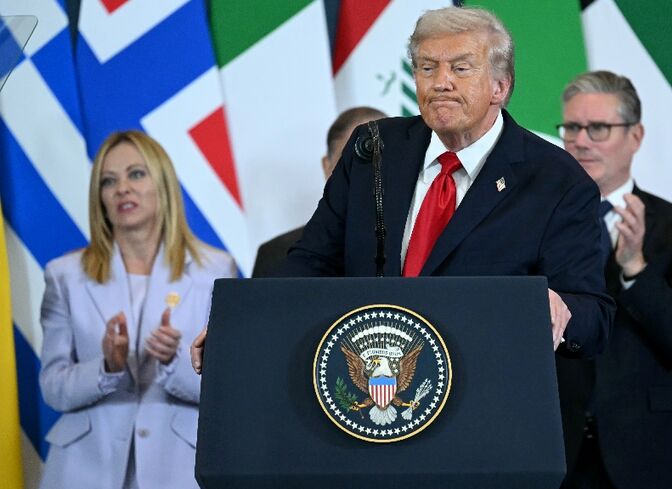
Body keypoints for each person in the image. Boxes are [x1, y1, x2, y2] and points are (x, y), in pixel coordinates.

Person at [193, 6, 613, 371]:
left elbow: (593, 317)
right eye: (427, 67)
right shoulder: (371, 151)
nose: (440, 82)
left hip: (488, 403)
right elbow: (311, 263)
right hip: (369, 391)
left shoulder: (556, 179)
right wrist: (239, 325)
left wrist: (561, 310)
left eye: (460, 68)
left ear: (500, 87)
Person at [38, 130, 236, 489]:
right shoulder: (64, 275)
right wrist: (107, 368)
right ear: (99, 197)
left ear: (162, 183)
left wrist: (174, 360)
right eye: (108, 181)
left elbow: (228, 387)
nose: (122, 189)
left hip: (179, 468)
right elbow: (52, 387)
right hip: (85, 470)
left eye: (136, 174)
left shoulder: (216, 271)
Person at [555, 71, 672, 489]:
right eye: (572, 127)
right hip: (557, 451)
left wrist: (635, 269)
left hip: (651, 453)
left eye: (599, 128)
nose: (581, 141)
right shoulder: (535, 222)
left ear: (636, 136)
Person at [251, 106, 386, 278]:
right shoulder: (276, 255)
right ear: (326, 166)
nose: (368, 175)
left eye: (381, 159)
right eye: (350, 163)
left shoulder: (421, 249)